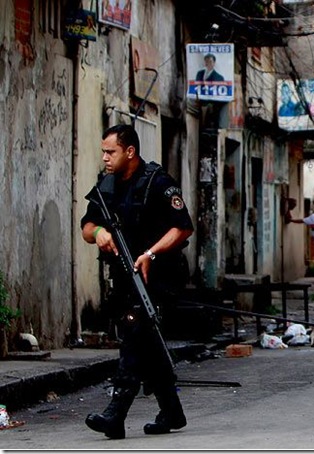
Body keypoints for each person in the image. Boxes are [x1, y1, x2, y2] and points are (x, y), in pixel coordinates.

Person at [81, 124, 194, 439]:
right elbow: (87, 226)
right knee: (147, 343)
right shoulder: (107, 185)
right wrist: (99, 233)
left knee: (135, 335)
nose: (104, 157)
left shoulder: (157, 182)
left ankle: (115, 415)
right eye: (103, 151)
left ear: (129, 152)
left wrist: (151, 253)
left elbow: (182, 227)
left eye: (110, 152)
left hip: (160, 274)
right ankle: (171, 411)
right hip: (125, 278)